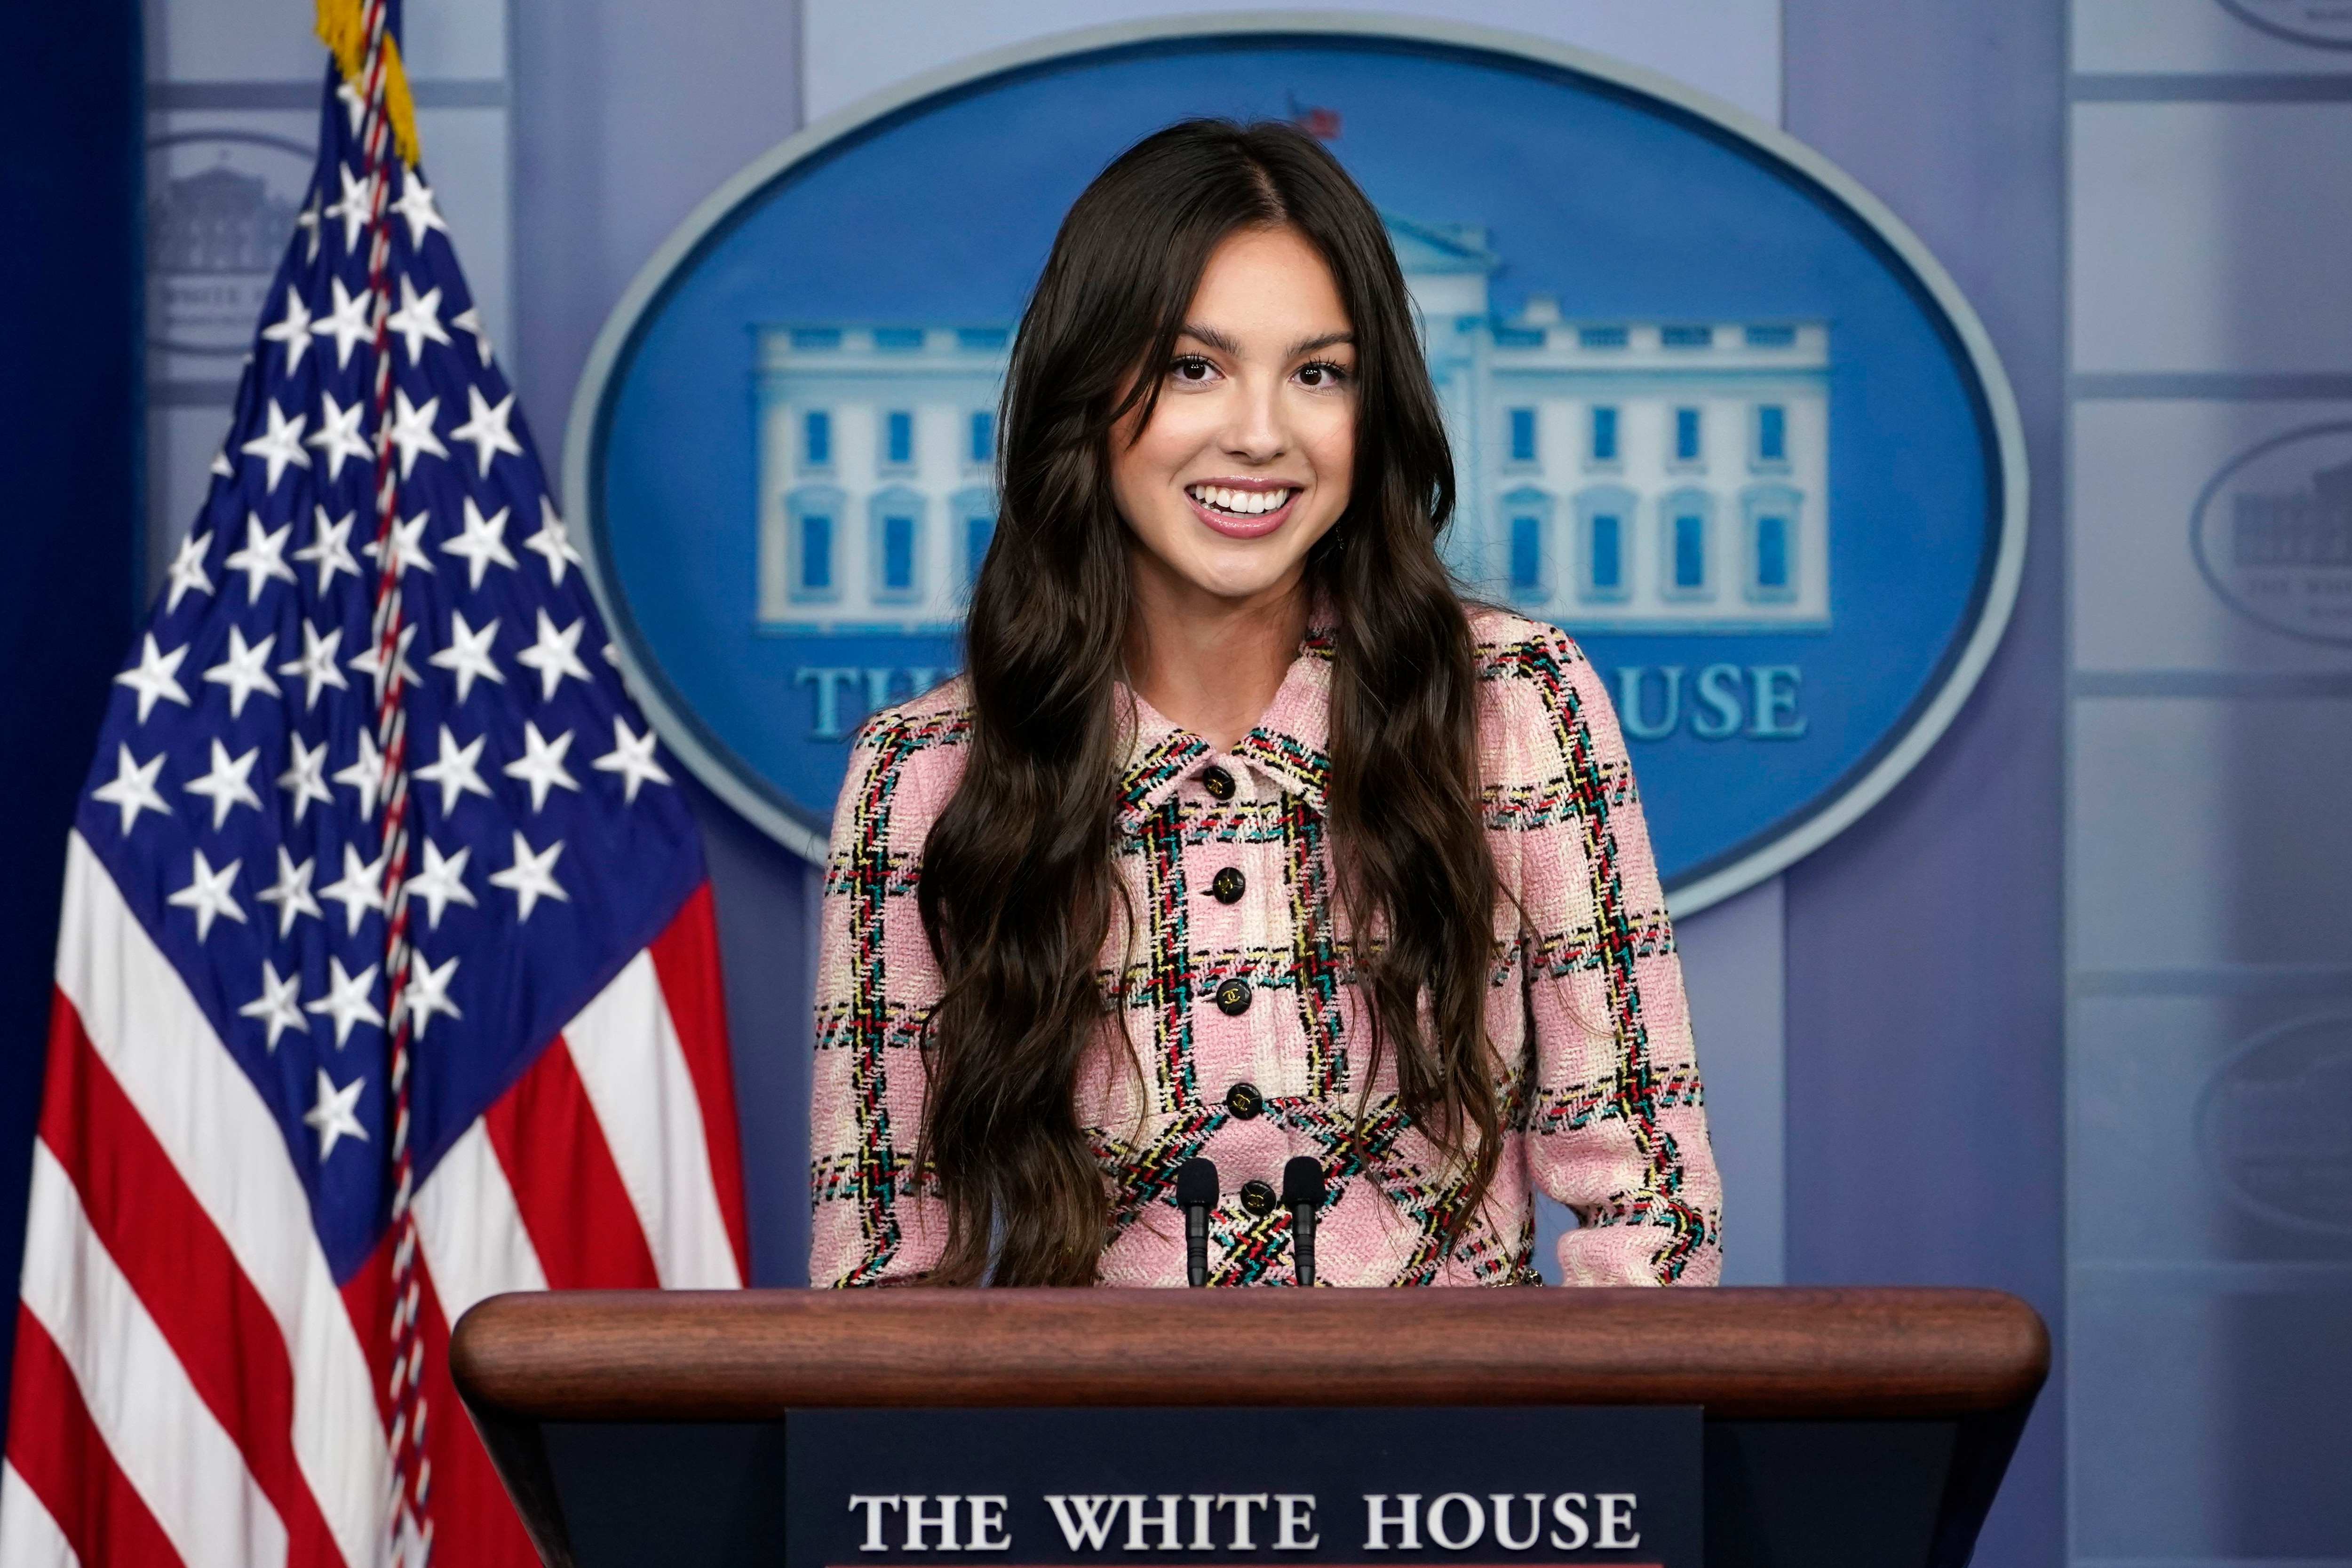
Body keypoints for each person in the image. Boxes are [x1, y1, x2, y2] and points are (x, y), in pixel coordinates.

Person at [809, 119, 1720, 1288]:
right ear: (1084, 394)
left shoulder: (1512, 703)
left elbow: (1651, 1198)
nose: (1259, 433)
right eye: (1194, 366)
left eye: (1318, 373)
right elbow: (883, 1263)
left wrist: (1557, 1447)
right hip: (1086, 1459)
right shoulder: (923, 772)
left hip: (1458, 1458)